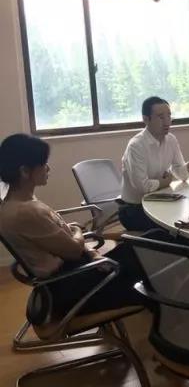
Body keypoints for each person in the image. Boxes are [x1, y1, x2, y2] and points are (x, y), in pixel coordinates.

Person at [0, 134, 142, 317]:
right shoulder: (26, 212)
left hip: (67, 275)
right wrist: (75, 230)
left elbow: (57, 239)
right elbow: (74, 250)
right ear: (25, 171)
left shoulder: (15, 204)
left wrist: (83, 244)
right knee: (146, 253)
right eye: (43, 164)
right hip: (68, 286)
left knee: (141, 249)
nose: (48, 168)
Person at [119, 96, 189, 232]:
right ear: (146, 119)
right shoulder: (136, 146)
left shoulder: (171, 140)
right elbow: (142, 187)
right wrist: (165, 182)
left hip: (160, 201)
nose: (167, 121)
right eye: (161, 117)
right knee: (179, 229)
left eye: (169, 116)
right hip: (134, 210)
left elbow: (182, 175)